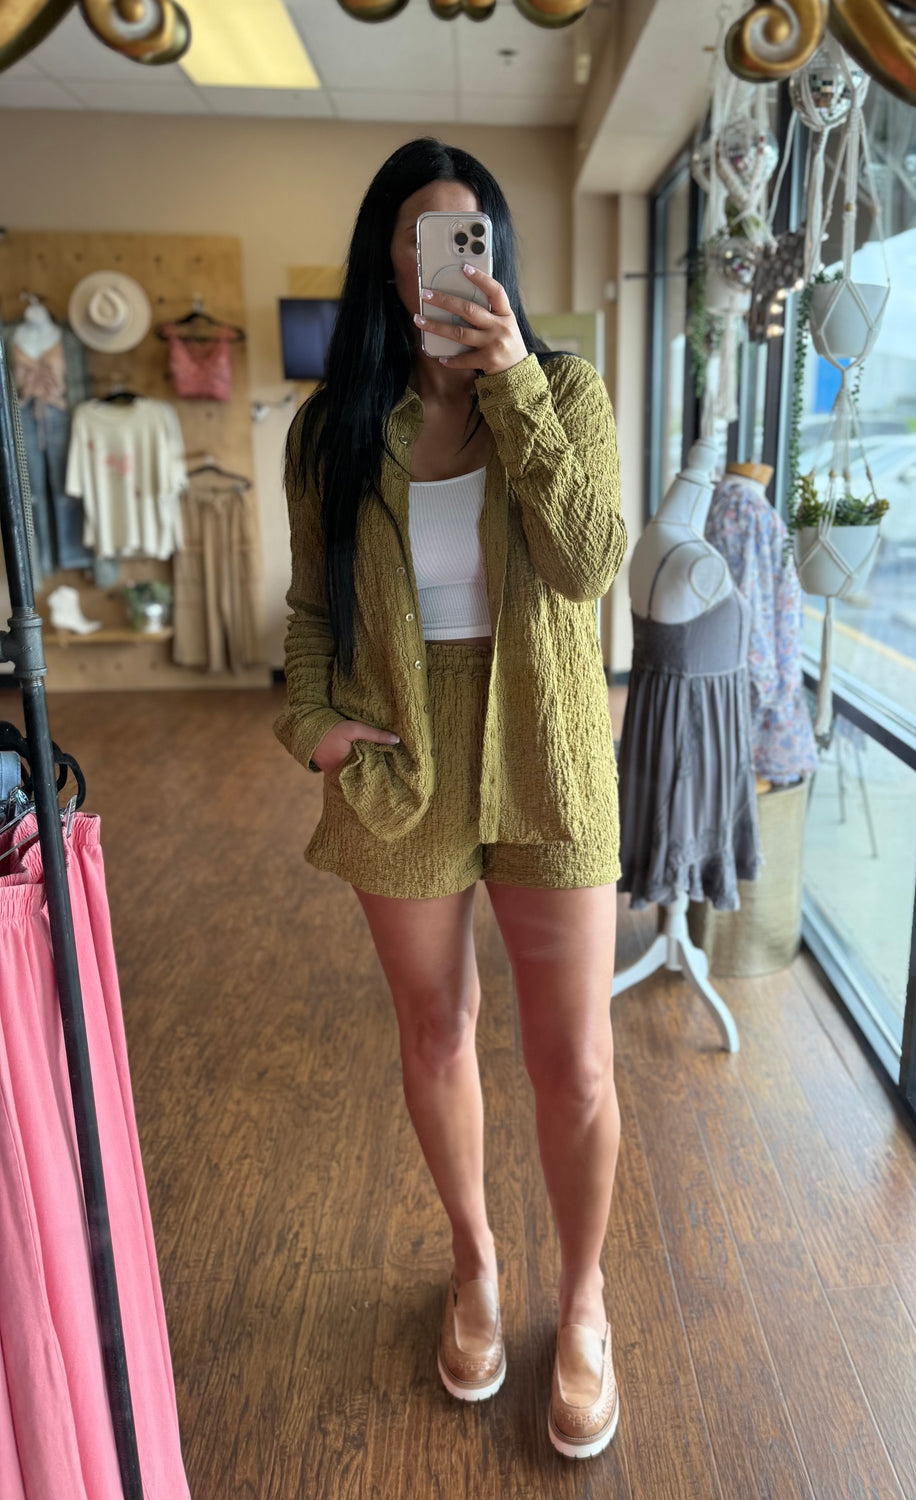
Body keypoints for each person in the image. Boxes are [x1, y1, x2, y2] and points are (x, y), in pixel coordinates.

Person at [273, 138, 625, 1460]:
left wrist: (514, 381)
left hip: (547, 752)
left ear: (497, 259)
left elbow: (587, 563)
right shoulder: (334, 430)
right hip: (402, 761)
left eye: (469, 239)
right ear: (389, 263)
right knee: (436, 1029)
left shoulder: (566, 390)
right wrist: (313, 728)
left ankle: (582, 1306)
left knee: (574, 1059)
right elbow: (311, 617)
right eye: (423, 241)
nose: (447, 265)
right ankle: (474, 1264)